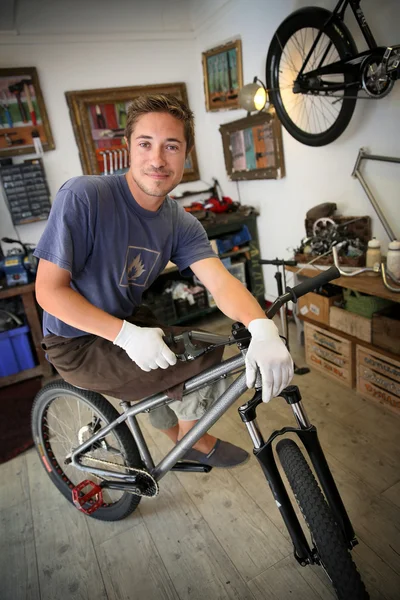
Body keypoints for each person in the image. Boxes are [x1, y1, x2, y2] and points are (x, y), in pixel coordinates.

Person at [33, 94, 293, 469]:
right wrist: (124, 335)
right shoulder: (85, 197)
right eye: (145, 144)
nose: (157, 160)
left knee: (208, 344)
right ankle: (193, 441)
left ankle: (179, 435)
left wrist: (262, 326)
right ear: (127, 147)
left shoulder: (179, 222)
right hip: (74, 341)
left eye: (171, 146)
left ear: (186, 153)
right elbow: (48, 291)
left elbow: (220, 283)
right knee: (198, 360)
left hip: (129, 317)